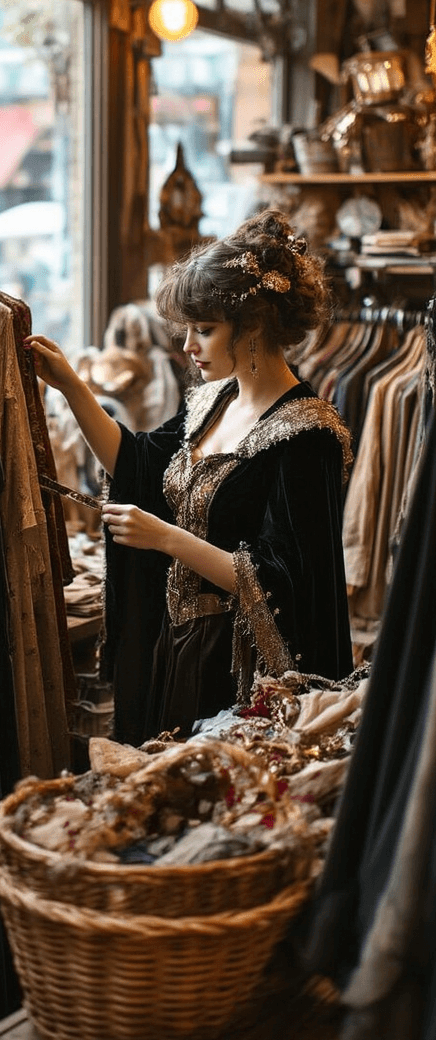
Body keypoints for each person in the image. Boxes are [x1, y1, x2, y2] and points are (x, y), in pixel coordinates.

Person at [25, 210, 354, 746]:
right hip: (177, 641)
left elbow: (287, 582)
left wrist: (164, 537)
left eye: (204, 330)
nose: (188, 347)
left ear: (254, 327)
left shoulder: (307, 436)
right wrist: (70, 387)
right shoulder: (211, 402)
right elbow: (137, 466)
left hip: (240, 666)